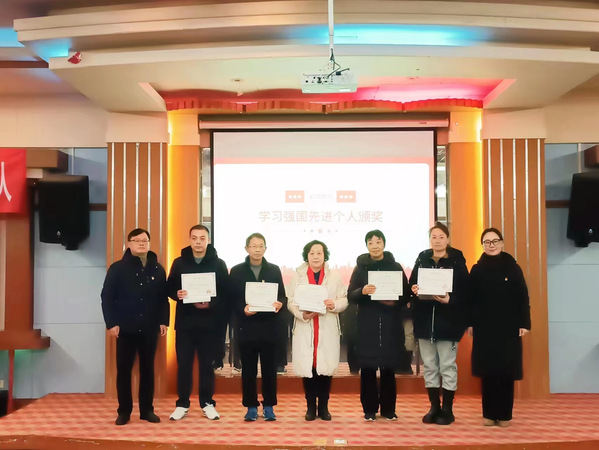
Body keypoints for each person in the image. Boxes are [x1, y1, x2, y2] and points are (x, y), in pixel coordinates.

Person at [101, 228, 169, 426]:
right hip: (125, 328)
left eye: (145, 241)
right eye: (137, 240)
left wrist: (163, 321)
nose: (141, 244)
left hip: (150, 328)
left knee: (148, 370)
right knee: (124, 371)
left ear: (149, 244)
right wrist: (111, 323)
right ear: (129, 244)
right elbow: (107, 298)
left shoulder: (158, 269)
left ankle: (147, 410)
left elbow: (163, 298)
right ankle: (124, 412)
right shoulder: (117, 269)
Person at [468, 227, 531, 427]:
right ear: (482, 246)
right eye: (487, 242)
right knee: (488, 371)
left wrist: (524, 323)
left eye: (495, 241)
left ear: (502, 243)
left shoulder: (513, 268)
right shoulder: (477, 269)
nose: (491, 245)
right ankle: (489, 413)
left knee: (506, 371)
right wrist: (470, 323)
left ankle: (504, 415)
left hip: (508, 327)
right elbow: (471, 300)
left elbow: (523, 297)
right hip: (484, 327)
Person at [409, 222, 469, 425]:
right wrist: (414, 289)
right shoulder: (422, 258)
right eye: (433, 237)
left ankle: (447, 409)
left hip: (448, 323)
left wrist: (450, 300)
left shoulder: (457, 260)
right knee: (430, 367)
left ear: (448, 239)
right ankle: (434, 407)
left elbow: (466, 292)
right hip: (425, 323)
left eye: (441, 237)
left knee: (447, 366)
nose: (437, 240)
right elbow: (412, 283)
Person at [167, 225, 229, 421]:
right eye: (194, 238)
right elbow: (169, 288)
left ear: (208, 240)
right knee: (184, 365)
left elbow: (225, 292)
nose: (198, 242)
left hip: (209, 324)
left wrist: (211, 303)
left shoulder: (218, 264)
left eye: (202, 238)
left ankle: (207, 403)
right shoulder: (179, 262)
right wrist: (177, 294)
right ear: (190, 240)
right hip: (185, 324)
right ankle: (182, 403)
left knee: (206, 367)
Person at [347, 229, 410, 421]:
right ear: (366, 245)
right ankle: (369, 409)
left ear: (384, 244)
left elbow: (406, 295)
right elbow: (351, 295)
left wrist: (395, 300)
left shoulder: (395, 267)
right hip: (367, 325)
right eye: (371, 242)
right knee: (367, 369)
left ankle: (389, 409)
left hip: (390, 325)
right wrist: (362, 291)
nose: (375, 246)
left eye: (378, 242)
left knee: (388, 369)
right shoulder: (360, 268)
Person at [287, 240, 348, 421]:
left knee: (325, 368)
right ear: (306, 256)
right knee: (309, 368)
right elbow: (290, 301)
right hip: (306, 326)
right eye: (312, 253)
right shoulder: (297, 276)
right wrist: (301, 314)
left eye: (319, 253)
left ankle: (324, 407)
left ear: (325, 255)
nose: (315, 257)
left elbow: (344, 300)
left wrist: (334, 304)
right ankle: (310, 407)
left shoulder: (334, 276)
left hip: (326, 327)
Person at [229, 233, 287, 422]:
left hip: (269, 327)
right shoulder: (237, 271)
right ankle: (251, 406)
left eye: (261, 246)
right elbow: (232, 298)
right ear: (247, 248)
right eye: (253, 246)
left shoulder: (274, 270)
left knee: (270, 370)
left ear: (265, 248)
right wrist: (242, 309)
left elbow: (282, 295)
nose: (257, 249)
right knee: (248, 370)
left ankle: (269, 406)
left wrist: (279, 303)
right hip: (247, 327)